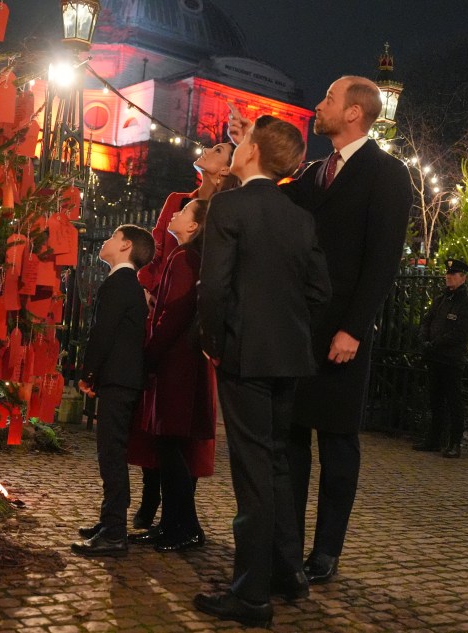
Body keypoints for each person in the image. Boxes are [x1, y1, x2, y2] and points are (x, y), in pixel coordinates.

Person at [228, 76, 412, 585]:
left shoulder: (387, 174)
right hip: (300, 330)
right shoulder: (314, 173)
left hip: (343, 339)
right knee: (290, 441)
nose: (318, 104)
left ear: (354, 113)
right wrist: (250, 142)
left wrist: (354, 329)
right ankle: (287, 546)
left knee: (336, 443)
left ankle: (327, 549)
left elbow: (383, 262)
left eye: (328, 98)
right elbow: (273, 197)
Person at [194, 116, 331, 628]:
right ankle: (288, 573)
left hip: (245, 355)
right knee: (276, 465)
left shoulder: (230, 205)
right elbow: (320, 292)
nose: (237, 145)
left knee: (253, 475)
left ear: (250, 153)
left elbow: (213, 289)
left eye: (242, 140)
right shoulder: (299, 217)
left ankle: (251, 596)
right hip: (289, 356)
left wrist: (214, 343)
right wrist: (289, 329)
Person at [129, 142, 236, 531]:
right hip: (163, 308)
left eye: (219, 148)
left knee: (184, 418)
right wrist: (151, 289)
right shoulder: (179, 201)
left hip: (195, 322)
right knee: (152, 416)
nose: (208, 148)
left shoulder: (228, 207)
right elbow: (156, 251)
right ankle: (150, 499)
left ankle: (179, 513)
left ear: (226, 170)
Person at [133, 199, 216, 553]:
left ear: (194, 226)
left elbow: (173, 313)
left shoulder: (184, 259)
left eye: (183, 213)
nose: (175, 216)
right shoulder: (187, 258)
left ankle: (182, 528)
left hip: (176, 365)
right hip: (180, 363)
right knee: (171, 450)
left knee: (171, 449)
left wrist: (149, 353)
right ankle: (177, 524)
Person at [72, 224, 155, 558]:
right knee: (112, 453)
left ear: (125, 246)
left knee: (111, 454)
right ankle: (109, 522)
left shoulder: (119, 284)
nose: (104, 241)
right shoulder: (127, 285)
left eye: (111, 238)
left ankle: (115, 532)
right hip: (123, 379)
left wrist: (87, 373)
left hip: (119, 380)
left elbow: (103, 334)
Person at [414, 258, 468, 458]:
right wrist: (423, 338)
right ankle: (434, 439)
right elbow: (427, 320)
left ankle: (454, 443)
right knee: (435, 400)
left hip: (451, 360)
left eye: (453, 275)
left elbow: (459, 333)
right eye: (448, 274)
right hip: (434, 358)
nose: (449, 277)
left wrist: (434, 344)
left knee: (453, 402)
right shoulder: (441, 300)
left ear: (463, 278)